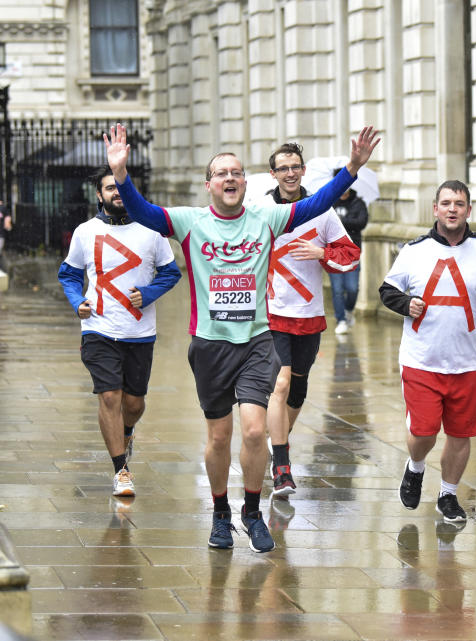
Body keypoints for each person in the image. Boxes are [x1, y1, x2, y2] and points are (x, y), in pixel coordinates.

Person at [104, 123, 379, 553]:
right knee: (218, 438)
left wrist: (352, 168)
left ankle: (251, 513)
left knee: (254, 433)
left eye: (237, 172)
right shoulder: (188, 222)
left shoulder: (266, 218)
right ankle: (219, 514)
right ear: (209, 184)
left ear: (245, 183)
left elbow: (318, 202)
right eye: (221, 173)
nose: (230, 178)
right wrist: (121, 176)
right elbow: (142, 212)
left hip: (256, 341)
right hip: (210, 345)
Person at [379, 180, 476, 524]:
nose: (452, 209)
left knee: (460, 433)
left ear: (469, 210)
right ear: (435, 209)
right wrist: (406, 303)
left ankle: (449, 495)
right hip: (421, 359)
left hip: (468, 362)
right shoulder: (415, 250)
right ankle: (415, 466)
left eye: (459, 203)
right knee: (424, 432)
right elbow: (387, 289)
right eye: (446, 203)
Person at [57, 166, 181, 498]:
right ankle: (120, 470)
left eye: (121, 188)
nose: (116, 193)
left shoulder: (152, 230)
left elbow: (171, 273)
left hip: (139, 331)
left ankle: (127, 431)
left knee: (135, 403)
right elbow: (68, 274)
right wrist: (76, 301)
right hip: (98, 327)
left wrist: (150, 293)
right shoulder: (85, 231)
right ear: (99, 195)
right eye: (109, 188)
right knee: (110, 395)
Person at [259, 142, 360, 498]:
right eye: (283, 167)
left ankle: (278, 441)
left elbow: (350, 254)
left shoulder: (322, 212)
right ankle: (282, 468)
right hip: (271, 314)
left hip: (309, 315)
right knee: (281, 384)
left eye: (295, 167)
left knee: (298, 391)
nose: (290, 173)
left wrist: (323, 252)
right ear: (273, 174)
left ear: (303, 171)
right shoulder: (261, 210)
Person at [328, 184, 368, 334]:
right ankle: (341, 320)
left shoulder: (358, 203)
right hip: (333, 252)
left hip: (352, 253)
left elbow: (361, 222)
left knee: (352, 288)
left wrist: (340, 221)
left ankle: (349, 311)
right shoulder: (330, 203)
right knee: (337, 290)